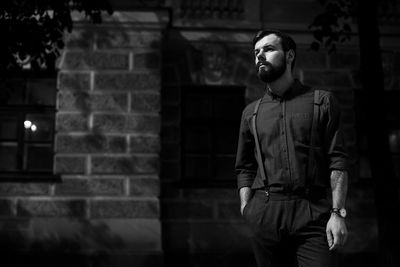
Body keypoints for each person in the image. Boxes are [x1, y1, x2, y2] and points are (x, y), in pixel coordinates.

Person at [235, 29, 349, 267]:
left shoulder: (322, 102)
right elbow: (244, 168)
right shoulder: (251, 113)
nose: (259, 56)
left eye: (268, 49)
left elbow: (337, 160)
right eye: (256, 52)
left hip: (312, 211)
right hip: (265, 213)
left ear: (289, 56)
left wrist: (337, 214)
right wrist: (248, 210)